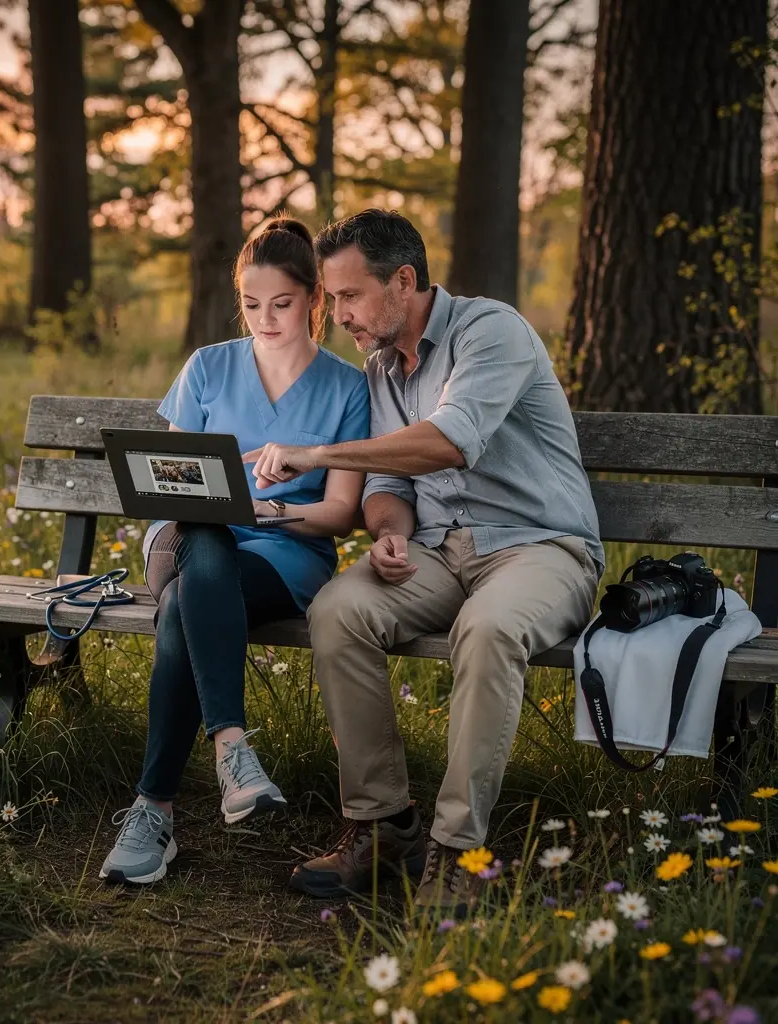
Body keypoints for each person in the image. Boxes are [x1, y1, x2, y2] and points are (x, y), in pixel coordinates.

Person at [242, 209, 604, 912]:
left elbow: (448, 441)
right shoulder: (383, 364)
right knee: (341, 609)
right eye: (332, 296)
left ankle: (458, 849)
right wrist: (389, 530)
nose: (336, 312)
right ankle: (382, 826)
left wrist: (316, 454)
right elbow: (388, 484)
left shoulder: (490, 331)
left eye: (348, 295)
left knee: (489, 629)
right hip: (439, 552)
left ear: (402, 282)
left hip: (540, 548)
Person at [100, 218, 370, 886]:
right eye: (252, 305)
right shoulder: (208, 367)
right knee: (205, 533)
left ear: (312, 300)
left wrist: (270, 508)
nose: (265, 319)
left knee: (185, 607)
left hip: (283, 555)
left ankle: (152, 809)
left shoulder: (348, 387)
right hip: (180, 538)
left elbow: (339, 512)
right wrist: (217, 502)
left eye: (280, 304)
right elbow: (165, 477)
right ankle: (232, 748)